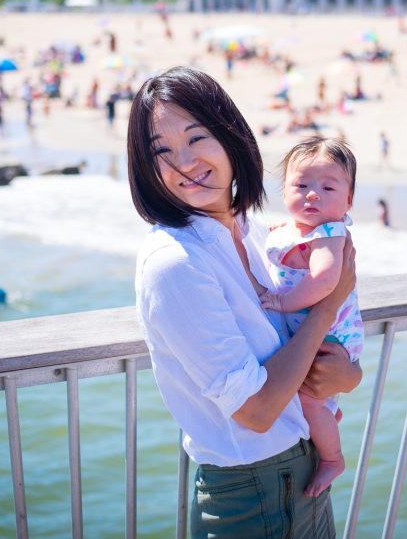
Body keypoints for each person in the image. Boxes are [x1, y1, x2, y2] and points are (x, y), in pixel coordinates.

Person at [128, 66, 361, 537]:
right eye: (161, 151)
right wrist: (325, 306)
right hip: (249, 490)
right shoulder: (174, 263)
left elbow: (304, 355)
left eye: (197, 138)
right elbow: (255, 411)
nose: (184, 162)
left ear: (230, 137)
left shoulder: (254, 232)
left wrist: (348, 374)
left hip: (303, 470)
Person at [257, 137, 364, 497]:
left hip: (331, 336)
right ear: (284, 190)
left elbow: (324, 280)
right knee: (314, 400)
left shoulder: (330, 235)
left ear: (347, 200)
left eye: (327, 187)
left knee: (309, 399)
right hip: (314, 331)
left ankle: (333, 458)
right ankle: (327, 419)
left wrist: (282, 302)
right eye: (301, 185)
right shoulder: (298, 230)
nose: (312, 194)